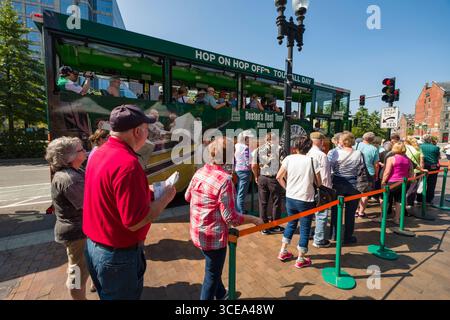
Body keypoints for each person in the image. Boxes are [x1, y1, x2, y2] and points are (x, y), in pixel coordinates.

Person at [83, 105, 176, 300]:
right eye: (147, 129)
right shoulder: (128, 164)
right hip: (117, 257)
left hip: (94, 248)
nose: (148, 134)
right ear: (137, 131)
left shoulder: (97, 153)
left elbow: (109, 192)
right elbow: (135, 221)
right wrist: (165, 198)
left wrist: (146, 190)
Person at [185, 137, 263, 300]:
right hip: (213, 237)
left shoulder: (199, 172)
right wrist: (254, 220)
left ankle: (221, 294)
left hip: (197, 231)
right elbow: (231, 218)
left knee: (213, 268)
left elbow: (187, 196)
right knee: (211, 276)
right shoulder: (225, 180)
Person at [45, 137, 88, 300]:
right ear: (69, 157)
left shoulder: (74, 172)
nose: (84, 151)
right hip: (76, 233)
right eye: (80, 149)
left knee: (79, 267)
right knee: (77, 271)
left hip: (77, 230)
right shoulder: (70, 179)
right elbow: (88, 204)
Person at [276, 136, 321, 268]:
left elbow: (279, 177)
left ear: (295, 147)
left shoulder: (289, 159)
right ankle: (301, 258)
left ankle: (283, 250)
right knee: (305, 228)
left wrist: (287, 188)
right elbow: (319, 183)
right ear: (309, 148)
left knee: (291, 223)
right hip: (306, 199)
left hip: (291, 197)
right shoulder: (312, 161)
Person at [328, 132, 363, 244]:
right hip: (353, 184)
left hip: (338, 183)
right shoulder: (358, 153)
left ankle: (334, 235)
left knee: (335, 211)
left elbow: (330, 167)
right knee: (350, 213)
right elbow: (361, 169)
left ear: (343, 141)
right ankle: (348, 237)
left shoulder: (336, 153)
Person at [251, 132, 286, 235]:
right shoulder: (280, 149)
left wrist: (256, 176)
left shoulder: (258, 149)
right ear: (275, 139)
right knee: (276, 202)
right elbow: (284, 165)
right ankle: (275, 225)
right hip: (274, 179)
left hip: (262, 177)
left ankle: (264, 227)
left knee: (263, 202)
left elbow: (253, 165)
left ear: (266, 139)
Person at [307, 132, 332, 248]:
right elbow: (325, 176)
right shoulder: (322, 155)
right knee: (321, 214)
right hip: (319, 187)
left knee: (309, 213)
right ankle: (319, 239)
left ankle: (310, 233)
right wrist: (327, 190)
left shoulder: (306, 152)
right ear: (320, 141)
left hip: (307, 187)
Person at [382, 142, 413, 224]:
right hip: (404, 183)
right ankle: (396, 219)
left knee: (385, 200)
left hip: (392, 182)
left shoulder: (391, 158)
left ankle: (382, 217)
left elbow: (387, 172)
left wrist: (383, 181)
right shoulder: (408, 160)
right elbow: (410, 172)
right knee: (399, 201)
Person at [355, 132, 379, 217]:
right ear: (372, 139)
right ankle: (361, 212)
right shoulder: (374, 149)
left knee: (356, 192)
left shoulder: (356, 146)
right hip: (369, 173)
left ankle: (355, 210)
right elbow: (376, 164)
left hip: (356, 171)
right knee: (365, 193)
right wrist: (376, 174)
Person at [234, 130, 255, 214]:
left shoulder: (237, 146)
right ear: (245, 138)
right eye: (249, 138)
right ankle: (240, 211)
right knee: (242, 192)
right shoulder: (245, 148)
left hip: (238, 170)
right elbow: (247, 161)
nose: (250, 140)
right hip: (244, 171)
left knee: (239, 191)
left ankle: (238, 209)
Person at [418, 134, 441, 204]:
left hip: (423, 166)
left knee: (421, 182)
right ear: (430, 140)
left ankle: (419, 198)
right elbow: (438, 157)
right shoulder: (436, 147)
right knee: (432, 183)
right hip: (433, 166)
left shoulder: (420, 147)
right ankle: (429, 199)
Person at [404, 137, 426, 209]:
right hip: (416, 170)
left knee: (405, 186)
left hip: (406, 170)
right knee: (413, 187)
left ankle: (403, 202)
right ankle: (410, 203)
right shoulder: (419, 149)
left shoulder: (405, 148)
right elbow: (421, 161)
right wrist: (421, 169)